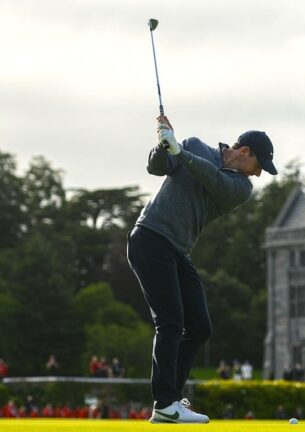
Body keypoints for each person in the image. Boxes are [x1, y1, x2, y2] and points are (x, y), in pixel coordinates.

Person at [127, 116, 277, 424]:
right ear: (245, 151)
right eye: (259, 166)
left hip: (177, 250)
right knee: (170, 321)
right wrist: (163, 144)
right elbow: (157, 168)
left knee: (199, 326)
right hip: (150, 238)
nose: (259, 174)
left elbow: (213, 179)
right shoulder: (195, 145)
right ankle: (166, 403)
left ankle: (171, 400)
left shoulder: (240, 187)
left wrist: (179, 153)